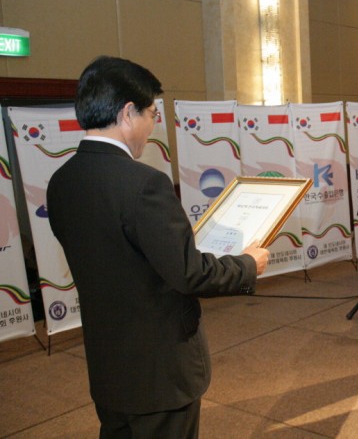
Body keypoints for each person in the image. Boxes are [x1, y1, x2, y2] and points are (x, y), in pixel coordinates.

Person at [47, 56, 270, 437]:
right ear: (128, 113)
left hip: (108, 365)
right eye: (152, 113)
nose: (153, 126)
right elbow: (190, 274)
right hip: (160, 371)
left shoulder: (62, 180)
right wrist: (248, 264)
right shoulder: (144, 184)